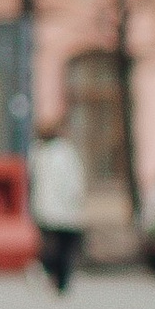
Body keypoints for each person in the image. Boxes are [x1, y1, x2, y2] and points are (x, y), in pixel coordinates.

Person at [28, 116, 89, 295]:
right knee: (64, 246)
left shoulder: (37, 152)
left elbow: (33, 181)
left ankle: (49, 273)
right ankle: (59, 279)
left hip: (45, 208)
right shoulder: (65, 152)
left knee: (50, 244)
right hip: (65, 209)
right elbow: (74, 181)